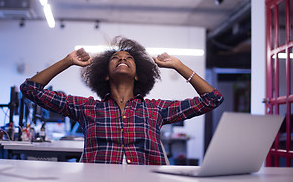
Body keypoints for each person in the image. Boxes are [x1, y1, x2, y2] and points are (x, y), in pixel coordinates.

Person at [20, 37, 224, 165]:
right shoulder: (86, 108)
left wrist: (179, 66)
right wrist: (67, 61)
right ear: (106, 74)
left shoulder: (157, 109)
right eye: (115, 58)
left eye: (129, 58)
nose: (123, 59)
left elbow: (212, 99)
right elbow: (30, 89)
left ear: (138, 75)